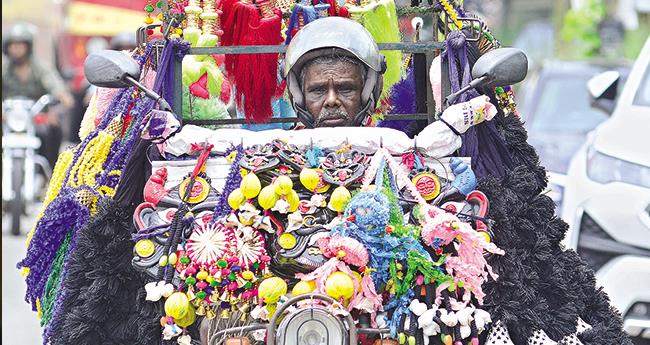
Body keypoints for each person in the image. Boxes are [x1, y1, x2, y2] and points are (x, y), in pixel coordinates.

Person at [2, 23, 74, 171]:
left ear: (28, 47)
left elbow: (54, 83)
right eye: (12, 45)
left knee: (50, 130)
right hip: (8, 119)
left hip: (34, 117)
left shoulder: (39, 68)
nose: (15, 49)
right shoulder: (4, 69)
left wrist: (61, 95)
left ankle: (50, 172)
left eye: (19, 45)